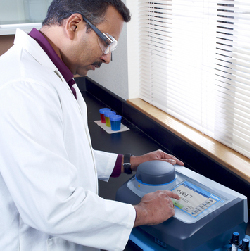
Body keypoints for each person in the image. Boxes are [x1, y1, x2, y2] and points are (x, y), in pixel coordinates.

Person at [0, 0, 184, 250]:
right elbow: (54, 208)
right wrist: (141, 213)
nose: (108, 57)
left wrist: (130, 162)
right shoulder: (25, 86)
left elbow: (63, 155)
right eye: (106, 41)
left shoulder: (52, 74)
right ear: (74, 25)